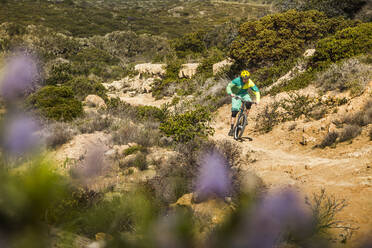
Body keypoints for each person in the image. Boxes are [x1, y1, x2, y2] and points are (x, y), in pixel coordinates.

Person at [226, 70, 260, 136]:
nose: (246, 80)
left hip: (244, 94)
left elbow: (257, 91)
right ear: (241, 78)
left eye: (247, 79)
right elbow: (228, 86)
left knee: (249, 103)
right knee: (234, 111)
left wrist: (258, 100)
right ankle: (232, 129)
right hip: (235, 94)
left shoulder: (250, 82)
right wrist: (230, 93)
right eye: (244, 79)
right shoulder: (237, 80)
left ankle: (245, 118)